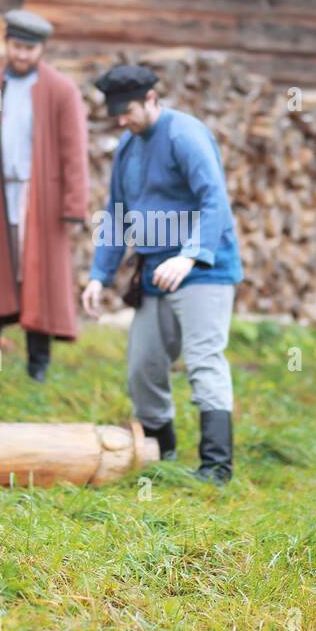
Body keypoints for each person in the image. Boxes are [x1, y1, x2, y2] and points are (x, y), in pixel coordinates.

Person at [81, 64, 243, 485]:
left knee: (204, 361)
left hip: (203, 269)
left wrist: (190, 256)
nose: (122, 121)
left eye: (128, 110)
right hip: (155, 271)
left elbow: (215, 202)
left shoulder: (184, 135)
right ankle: (160, 450)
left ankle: (216, 467)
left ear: (152, 99)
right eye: (115, 113)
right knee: (143, 367)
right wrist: (100, 275)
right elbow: (117, 214)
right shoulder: (127, 148)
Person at [0, 9, 89, 382]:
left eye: (30, 48)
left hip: (39, 198)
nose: (22, 55)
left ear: (40, 49)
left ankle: (37, 366)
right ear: (6, 44)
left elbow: (74, 151)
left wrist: (74, 204)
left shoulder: (60, 90)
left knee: (39, 278)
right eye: (16, 46)